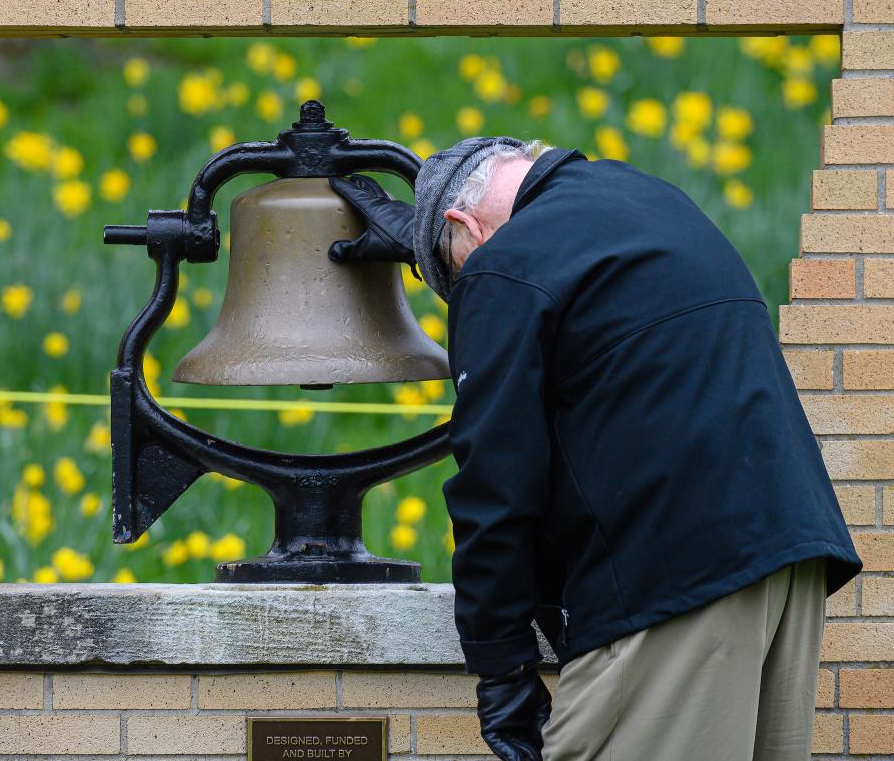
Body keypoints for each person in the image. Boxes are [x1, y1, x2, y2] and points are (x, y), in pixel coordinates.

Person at [327, 138, 862, 761]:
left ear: (463, 224)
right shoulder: (649, 199)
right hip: (788, 553)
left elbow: (494, 482)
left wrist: (500, 669)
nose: (465, 290)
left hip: (673, 582)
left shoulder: (505, 262)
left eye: (454, 273)